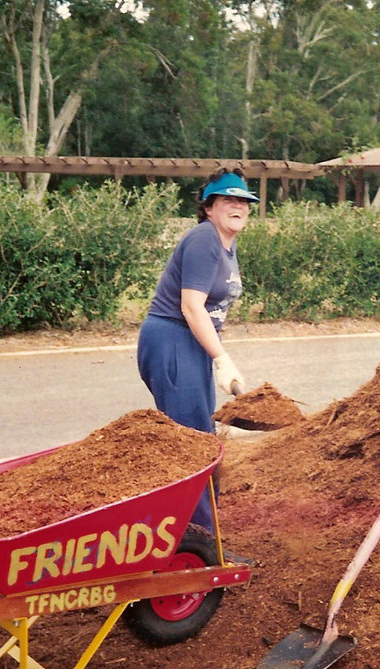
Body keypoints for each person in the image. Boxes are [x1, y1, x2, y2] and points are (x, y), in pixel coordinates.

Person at [137, 168, 257, 530]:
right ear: (209, 207)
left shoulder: (226, 244)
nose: (238, 206)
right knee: (194, 449)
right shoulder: (205, 239)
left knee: (202, 440)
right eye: (228, 200)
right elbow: (191, 306)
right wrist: (222, 359)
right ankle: (196, 544)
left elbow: (211, 311)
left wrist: (215, 354)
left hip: (190, 346)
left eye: (244, 201)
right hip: (172, 341)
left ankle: (204, 537)